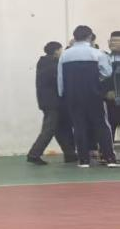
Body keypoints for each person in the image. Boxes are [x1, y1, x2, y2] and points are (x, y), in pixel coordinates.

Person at [58, 25, 118, 168]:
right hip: (94, 94)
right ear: (90, 37)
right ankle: (109, 158)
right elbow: (107, 72)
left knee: (79, 126)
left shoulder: (65, 55)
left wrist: (62, 94)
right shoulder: (97, 53)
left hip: (73, 96)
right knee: (102, 125)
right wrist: (96, 79)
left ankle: (83, 160)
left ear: (74, 37)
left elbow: (60, 78)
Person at [27, 41, 76, 165]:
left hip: (50, 102)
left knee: (61, 128)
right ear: (56, 51)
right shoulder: (52, 64)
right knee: (49, 129)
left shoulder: (45, 63)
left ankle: (70, 154)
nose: (62, 52)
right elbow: (59, 77)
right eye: (61, 50)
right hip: (53, 103)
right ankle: (34, 154)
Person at [108, 31, 120, 142]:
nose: (112, 43)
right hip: (110, 100)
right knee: (110, 126)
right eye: (111, 40)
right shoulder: (105, 58)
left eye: (116, 41)